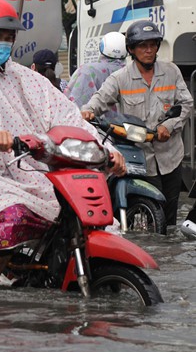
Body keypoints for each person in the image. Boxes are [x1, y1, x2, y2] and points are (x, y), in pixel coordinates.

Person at [0, 0, 126, 286]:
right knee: (9, 218)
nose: (3, 43)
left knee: (91, 218)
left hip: (35, 173)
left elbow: (71, 118)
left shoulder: (28, 78)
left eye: (9, 37)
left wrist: (107, 150)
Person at [81, 20, 193, 228]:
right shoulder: (120, 78)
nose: (149, 50)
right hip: (140, 157)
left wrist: (169, 126)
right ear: (131, 49)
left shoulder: (171, 71)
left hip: (171, 156)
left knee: (169, 219)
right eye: (142, 46)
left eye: (152, 45)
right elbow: (99, 99)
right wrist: (87, 111)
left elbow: (186, 103)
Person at [63, 31, 128, 108]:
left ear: (102, 47)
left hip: (90, 118)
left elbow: (74, 101)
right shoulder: (132, 71)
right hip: (126, 119)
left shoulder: (87, 70)